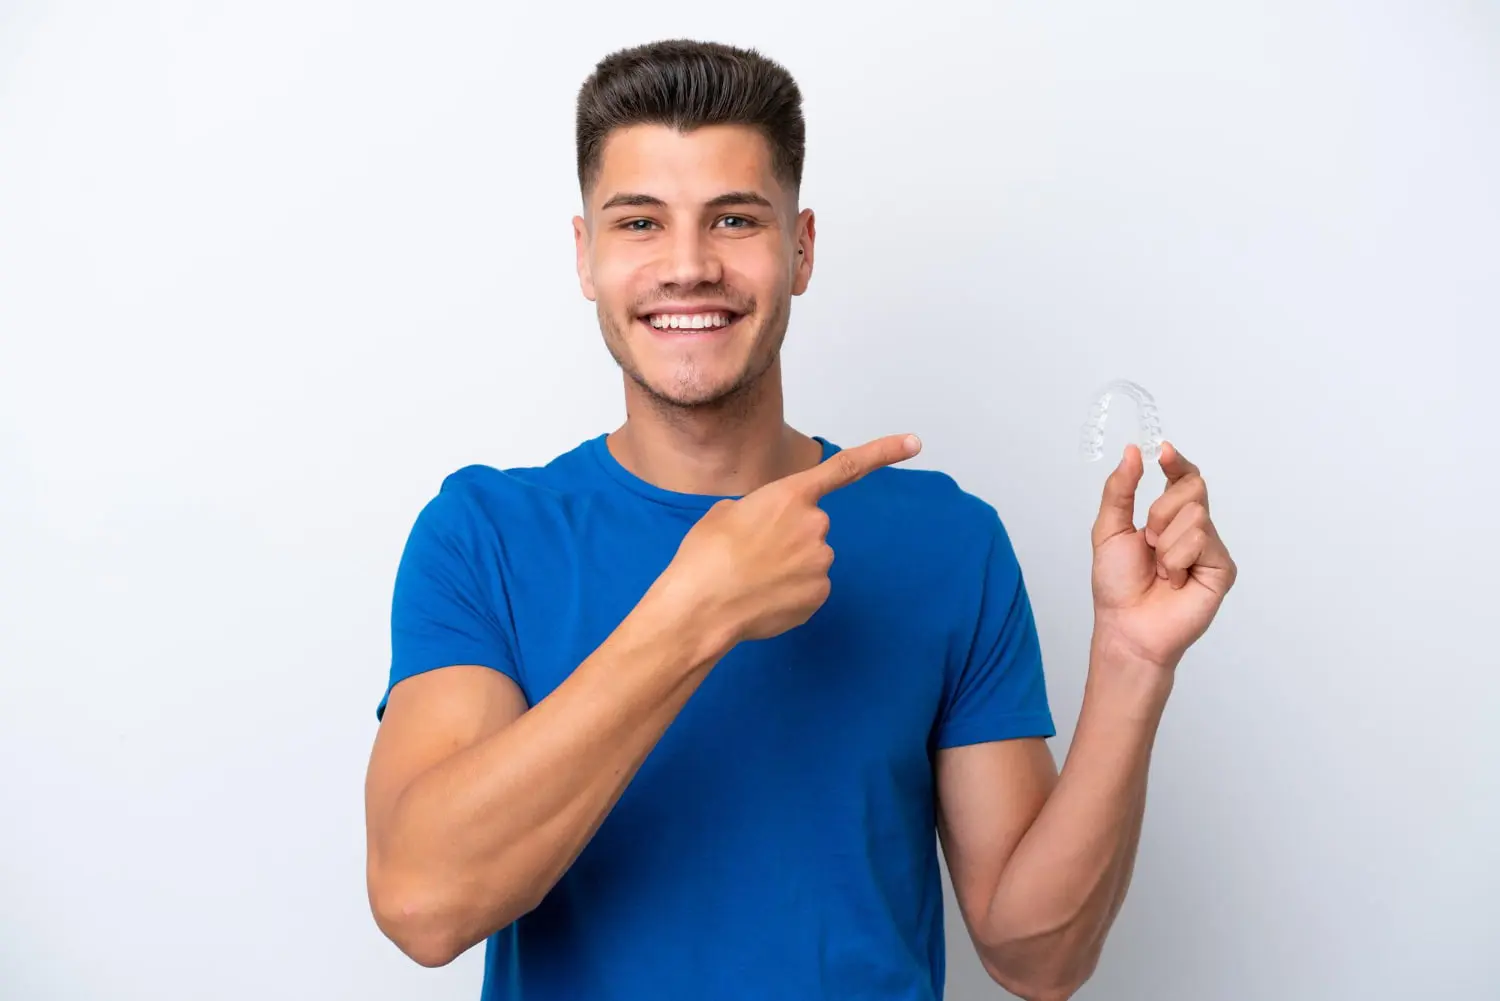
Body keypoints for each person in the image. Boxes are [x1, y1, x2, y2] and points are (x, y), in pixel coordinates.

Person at [362, 38, 1237, 1001]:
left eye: (735, 219)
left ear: (802, 248)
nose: (688, 265)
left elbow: (1038, 956)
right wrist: (698, 610)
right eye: (640, 222)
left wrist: (1132, 663)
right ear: (586, 257)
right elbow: (424, 901)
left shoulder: (949, 542)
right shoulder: (483, 535)